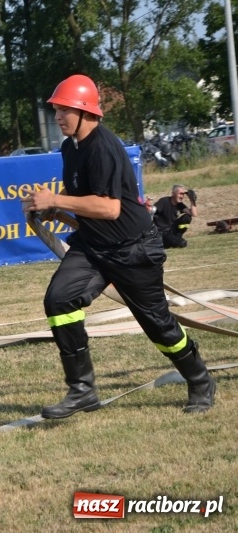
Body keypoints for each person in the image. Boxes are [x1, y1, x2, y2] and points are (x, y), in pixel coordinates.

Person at [23, 75, 215, 418]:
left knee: (159, 327)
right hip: (93, 247)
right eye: (55, 111)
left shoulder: (104, 147)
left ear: (84, 112)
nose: (57, 117)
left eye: (63, 110)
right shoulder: (71, 148)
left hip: (134, 251)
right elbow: (87, 202)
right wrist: (57, 209)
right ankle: (82, 390)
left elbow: (110, 208)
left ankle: (200, 380)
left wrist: (55, 197)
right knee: (59, 299)